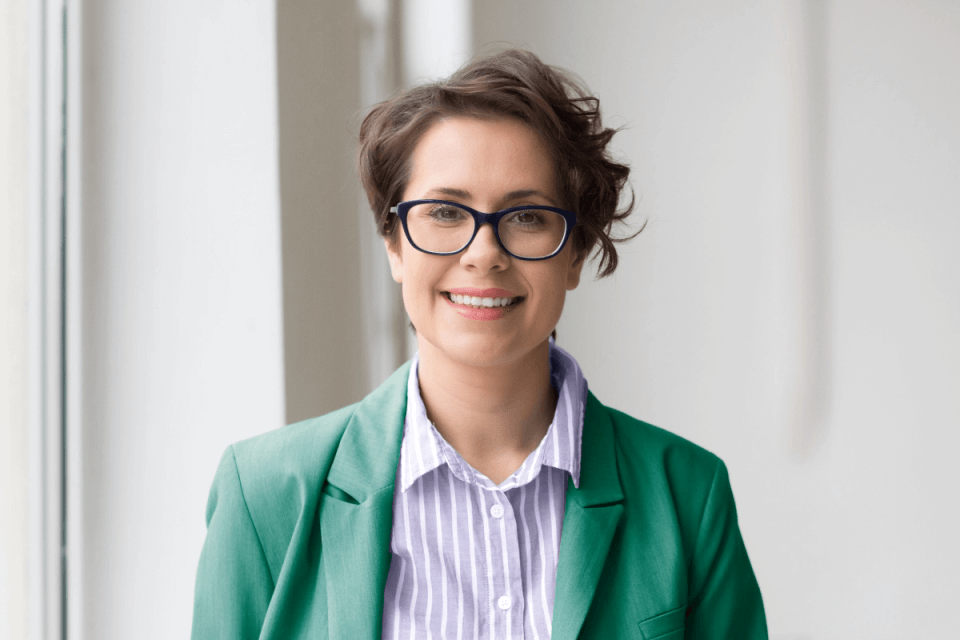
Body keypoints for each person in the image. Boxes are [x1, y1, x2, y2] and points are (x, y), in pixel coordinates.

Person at [191, 49, 767, 639]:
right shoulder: (264, 494)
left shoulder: (687, 493)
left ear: (575, 253)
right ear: (393, 243)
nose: (483, 252)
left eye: (526, 217)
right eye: (444, 211)